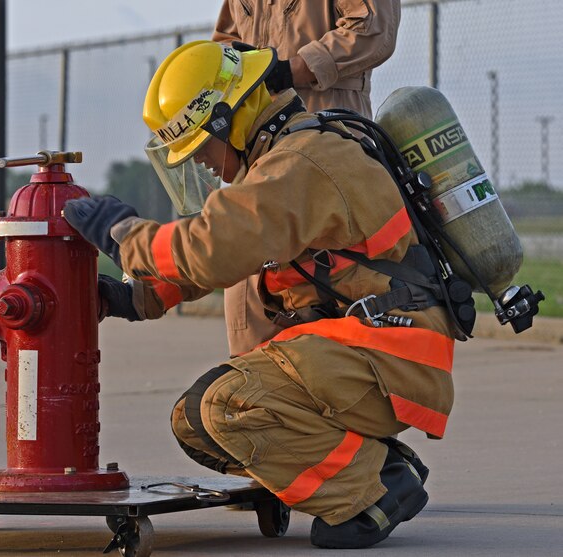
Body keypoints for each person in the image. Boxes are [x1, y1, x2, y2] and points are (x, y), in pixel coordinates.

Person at [64, 41, 455, 549]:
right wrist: (133, 298)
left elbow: (212, 248)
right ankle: (378, 464)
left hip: (392, 353)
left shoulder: (303, 162)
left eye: (201, 144)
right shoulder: (285, 159)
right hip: (368, 351)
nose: (202, 161)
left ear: (229, 119)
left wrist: (123, 234)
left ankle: (372, 491)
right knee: (195, 423)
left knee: (229, 405)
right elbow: (236, 248)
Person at [212, 0, 402, 356]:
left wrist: (292, 70)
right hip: (256, 152)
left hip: (330, 144)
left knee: (326, 310)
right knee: (250, 315)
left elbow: (373, 28)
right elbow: (226, 40)